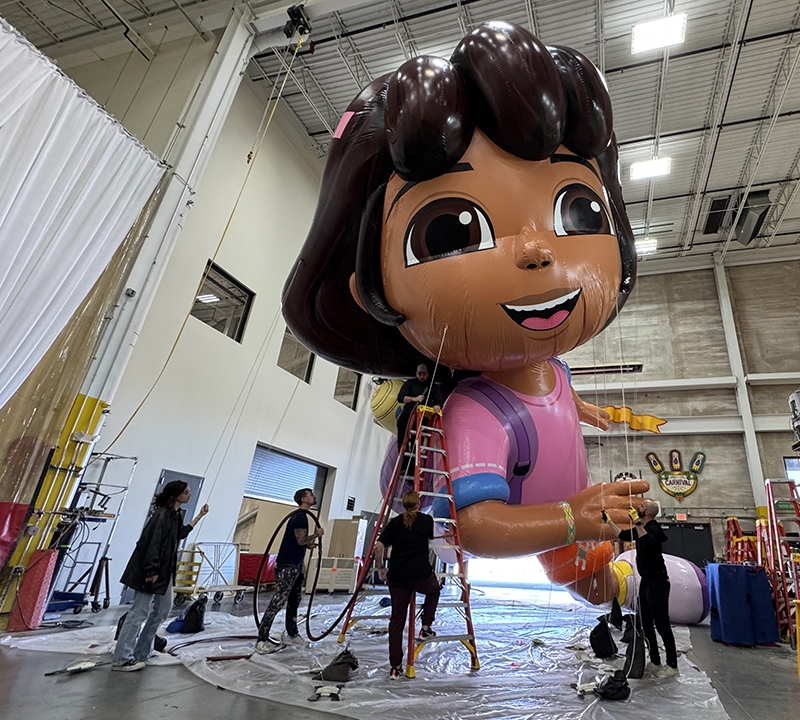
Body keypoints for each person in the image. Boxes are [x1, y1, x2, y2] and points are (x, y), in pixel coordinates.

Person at [280, 21, 650, 609]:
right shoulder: (476, 410)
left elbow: (562, 399)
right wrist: (572, 515)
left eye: (578, 211)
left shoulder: (553, 369)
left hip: (567, 520)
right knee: (576, 557)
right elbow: (476, 527)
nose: (535, 249)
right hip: (542, 513)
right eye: (451, 228)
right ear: (367, 283)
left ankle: (607, 582)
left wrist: (602, 413)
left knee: (597, 578)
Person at [113, 481, 208, 671]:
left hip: (164, 572)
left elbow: (180, 534)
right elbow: (153, 544)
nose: (189, 495)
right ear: (176, 495)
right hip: (151, 571)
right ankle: (122, 658)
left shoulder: (175, 515)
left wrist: (200, 516)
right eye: (186, 492)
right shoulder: (162, 515)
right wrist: (151, 570)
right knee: (139, 612)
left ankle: (143, 651)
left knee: (162, 610)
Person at [374, 490, 441, 679]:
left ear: (403, 504)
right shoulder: (426, 521)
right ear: (419, 503)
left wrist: (381, 567)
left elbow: (379, 546)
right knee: (434, 590)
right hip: (419, 573)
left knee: (397, 621)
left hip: (397, 576)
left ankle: (395, 667)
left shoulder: (394, 523)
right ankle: (426, 627)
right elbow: (433, 537)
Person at [255, 488, 323, 653]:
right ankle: (262, 638)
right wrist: (316, 535)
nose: (314, 496)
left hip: (296, 565)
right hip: (288, 565)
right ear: (303, 499)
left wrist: (308, 544)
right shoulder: (300, 517)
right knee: (278, 600)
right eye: (310, 494)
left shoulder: (302, 516)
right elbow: (300, 540)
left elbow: (298, 541)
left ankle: (292, 633)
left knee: (294, 600)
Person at [617, 499, 677, 676]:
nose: (638, 507)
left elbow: (650, 542)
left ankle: (672, 665)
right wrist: (609, 522)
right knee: (645, 622)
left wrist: (637, 522)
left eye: (642, 506)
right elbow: (622, 535)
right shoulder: (640, 529)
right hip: (646, 581)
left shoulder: (654, 528)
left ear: (648, 513)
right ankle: (656, 661)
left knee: (661, 623)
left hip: (658, 582)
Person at [395, 363, 444, 448]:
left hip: (422, 418)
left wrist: (438, 407)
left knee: (417, 444)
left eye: (424, 374)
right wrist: (414, 399)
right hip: (408, 415)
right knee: (402, 442)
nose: (421, 376)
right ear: (416, 374)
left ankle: (414, 461)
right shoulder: (410, 383)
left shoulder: (432, 386)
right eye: (419, 374)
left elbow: (439, 401)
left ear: (427, 374)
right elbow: (400, 397)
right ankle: (403, 460)